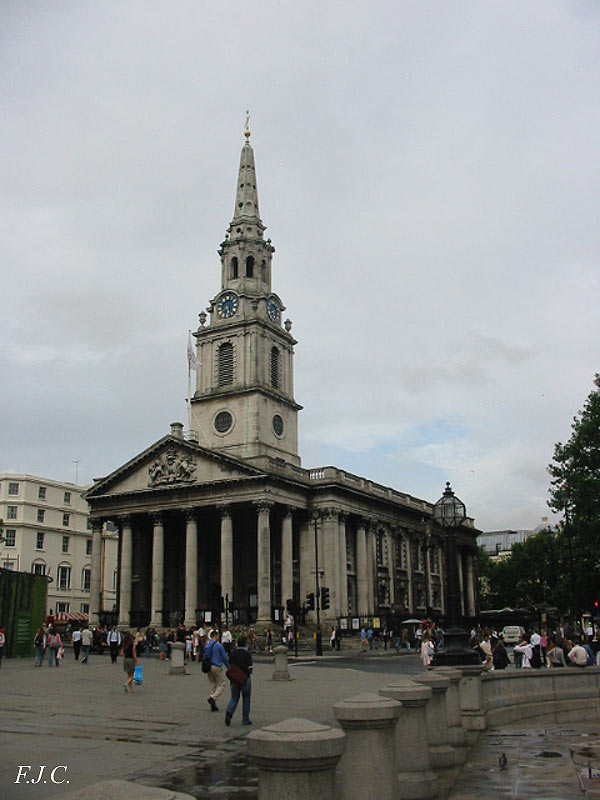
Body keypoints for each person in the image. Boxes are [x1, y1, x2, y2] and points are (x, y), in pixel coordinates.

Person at [224, 634, 253, 727]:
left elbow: (229, 664)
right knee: (246, 698)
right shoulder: (247, 654)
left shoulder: (233, 653)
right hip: (245, 677)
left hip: (235, 678)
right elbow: (250, 668)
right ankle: (245, 719)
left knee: (234, 697)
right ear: (245, 643)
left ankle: (229, 711)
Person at [205, 630, 229, 712]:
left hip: (209, 666)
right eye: (218, 636)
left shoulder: (208, 645)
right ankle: (213, 697)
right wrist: (229, 667)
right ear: (215, 636)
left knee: (212, 684)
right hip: (217, 666)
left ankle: (213, 705)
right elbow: (224, 658)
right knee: (222, 683)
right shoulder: (219, 646)